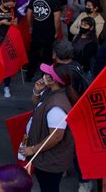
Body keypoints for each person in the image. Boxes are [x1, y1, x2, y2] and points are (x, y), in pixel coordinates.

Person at [20, 64, 74, 192]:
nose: (43, 75)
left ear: (53, 80)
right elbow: (38, 106)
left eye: (47, 74)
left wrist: (33, 149)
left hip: (50, 162)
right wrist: (36, 91)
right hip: (47, 159)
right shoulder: (51, 92)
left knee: (49, 188)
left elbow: (56, 137)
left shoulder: (57, 106)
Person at [25, 0, 62, 81]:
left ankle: (29, 75)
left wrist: (30, 26)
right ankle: (45, 78)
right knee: (47, 55)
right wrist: (57, 31)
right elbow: (57, 18)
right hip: (48, 31)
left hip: (36, 29)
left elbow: (28, 13)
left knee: (33, 53)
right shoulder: (55, 0)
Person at [0, 0, 17, 98]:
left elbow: (15, 25)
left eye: (11, 6)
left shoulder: (12, 11)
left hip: (8, 40)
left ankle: (7, 86)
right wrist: (2, 22)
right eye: (8, 5)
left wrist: (14, 23)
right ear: (2, 2)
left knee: (7, 63)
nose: (10, 8)